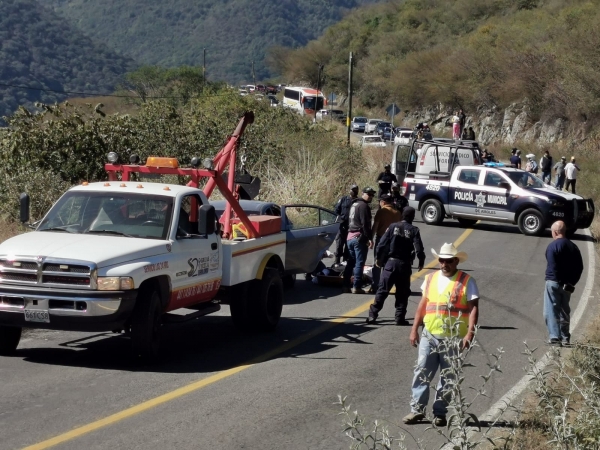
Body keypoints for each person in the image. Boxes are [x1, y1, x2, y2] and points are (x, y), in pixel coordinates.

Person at [402, 243, 479, 427]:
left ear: (456, 261)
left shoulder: (467, 281)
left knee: (448, 377)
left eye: (448, 261)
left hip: (453, 339)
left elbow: (474, 308)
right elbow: (422, 305)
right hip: (429, 335)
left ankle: (440, 413)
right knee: (421, 373)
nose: (444, 264)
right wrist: (414, 329)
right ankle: (417, 411)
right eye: (441, 260)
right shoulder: (430, 279)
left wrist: (470, 333)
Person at [367, 207, 425, 325]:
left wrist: (379, 259)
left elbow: (382, 244)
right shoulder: (414, 230)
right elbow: (419, 249)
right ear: (412, 217)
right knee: (403, 292)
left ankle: (373, 315)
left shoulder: (393, 227)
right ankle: (399, 317)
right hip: (405, 265)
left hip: (390, 264)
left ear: (402, 215)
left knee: (382, 290)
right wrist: (421, 261)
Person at [544, 221, 583, 346]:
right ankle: (565, 337)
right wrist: (572, 282)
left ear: (555, 232)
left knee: (551, 310)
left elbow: (553, 265)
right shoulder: (573, 247)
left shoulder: (552, 246)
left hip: (553, 282)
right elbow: (579, 267)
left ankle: (555, 337)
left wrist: (558, 280)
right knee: (564, 311)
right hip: (568, 285)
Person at [343, 187, 375, 294]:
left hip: (350, 236)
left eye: (372, 195)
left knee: (350, 262)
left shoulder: (354, 204)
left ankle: (346, 285)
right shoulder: (363, 206)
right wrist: (370, 238)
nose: (370, 196)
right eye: (369, 194)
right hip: (359, 237)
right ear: (362, 194)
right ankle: (356, 286)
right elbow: (365, 224)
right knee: (359, 263)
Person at [369, 194, 403, 294]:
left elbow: (375, 227)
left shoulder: (381, 212)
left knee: (377, 262)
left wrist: (371, 239)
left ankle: (375, 286)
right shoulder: (398, 213)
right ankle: (386, 286)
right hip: (394, 241)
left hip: (381, 240)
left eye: (380, 201)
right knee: (388, 265)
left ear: (383, 202)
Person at [333, 184, 359, 266]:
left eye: (355, 190)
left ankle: (345, 263)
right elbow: (336, 210)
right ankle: (336, 262)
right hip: (342, 226)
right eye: (352, 189)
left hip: (352, 227)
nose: (353, 191)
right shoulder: (343, 199)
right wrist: (339, 219)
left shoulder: (358, 201)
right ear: (349, 190)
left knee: (348, 246)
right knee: (339, 245)